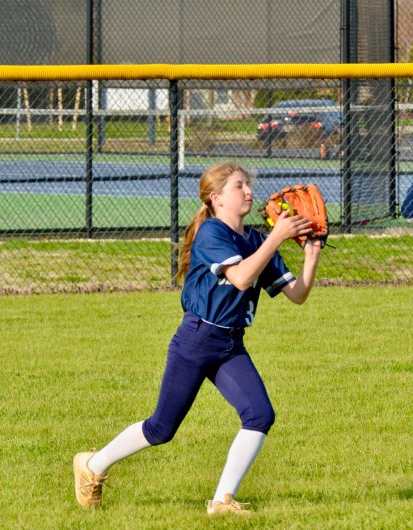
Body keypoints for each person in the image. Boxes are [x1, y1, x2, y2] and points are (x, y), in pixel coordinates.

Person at [72, 162, 323, 516]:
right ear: (216, 198)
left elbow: (297, 294)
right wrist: (277, 237)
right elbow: (240, 277)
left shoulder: (255, 240)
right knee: (161, 429)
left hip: (230, 345)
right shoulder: (212, 233)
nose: (249, 191)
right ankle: (92, 465)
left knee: (259, 415)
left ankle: (222, 500)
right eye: (239, 186)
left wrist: (312, 255)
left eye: (248, 185)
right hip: (195, 341)